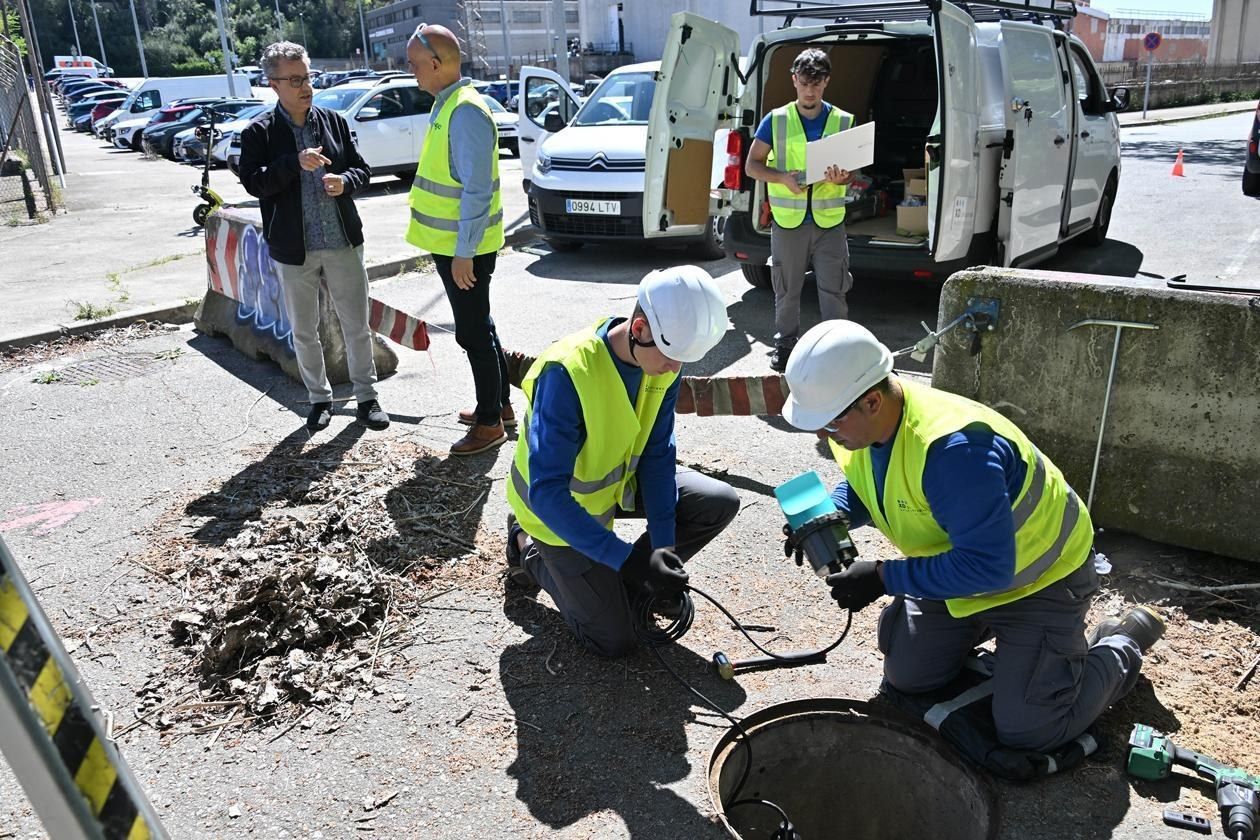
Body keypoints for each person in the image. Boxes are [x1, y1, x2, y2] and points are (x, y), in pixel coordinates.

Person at [781, 320, 1165, 753]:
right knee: (909, 677)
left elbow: (989, 566)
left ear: (871, 401)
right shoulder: (859, 428)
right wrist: (834, 516)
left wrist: (884, 577)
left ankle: (1120, 644)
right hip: (966, 568)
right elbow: (870, 480)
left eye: (829, 424)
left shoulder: (954, 451)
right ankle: (1014, 651)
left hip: (1038, 581)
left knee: (1030, 730)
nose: (822, 435)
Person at [504, 266, 740, 658]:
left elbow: (658, 454)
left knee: (717, 501)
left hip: (614, 488)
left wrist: (661, 549)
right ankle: (525, 547)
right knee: (614, 641)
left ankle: (628, 586)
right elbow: (547, 493)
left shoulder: (662, 360)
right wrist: (626, 559)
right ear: (641, 328)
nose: (676, 368)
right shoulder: (567, 373)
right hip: (554, 515)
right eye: (672, 356)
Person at [238, 41, 389, 433]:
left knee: (355, 324)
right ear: (273, 85)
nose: (305, 86)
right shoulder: (259, 132)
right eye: (294, 80)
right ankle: (319, 400)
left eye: (307, 77)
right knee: (305, 331)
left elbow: (362, 169)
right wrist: (292, 163)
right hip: (295, 250)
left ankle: (367, 397)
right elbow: (254, 183)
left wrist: (346, 181)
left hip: (342, 242)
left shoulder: (334, 121)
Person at [405, 24, 511, 456]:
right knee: (480, 325)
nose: (411, 73)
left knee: (472, 333)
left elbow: (476, 190)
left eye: (414, 65)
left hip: (463, 249)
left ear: (435, 63)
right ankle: (498, 406)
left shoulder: (464, 111)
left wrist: (464, 252)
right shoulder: (450, 106)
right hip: (456, 246)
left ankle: (489, 425)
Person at [745, 48, 858, 373]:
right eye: (805, 83)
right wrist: (780, 177)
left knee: (834, 290)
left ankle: (836, 349)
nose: (810, 91)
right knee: (787, 289)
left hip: (829, 223)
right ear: (794, 81)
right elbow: (752, 166)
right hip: (788, 222)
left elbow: (852, 173)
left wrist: (844, 177)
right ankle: (785, 346)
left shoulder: (843, 120)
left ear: (826, 82)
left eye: (817, 83)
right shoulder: (776, 120)